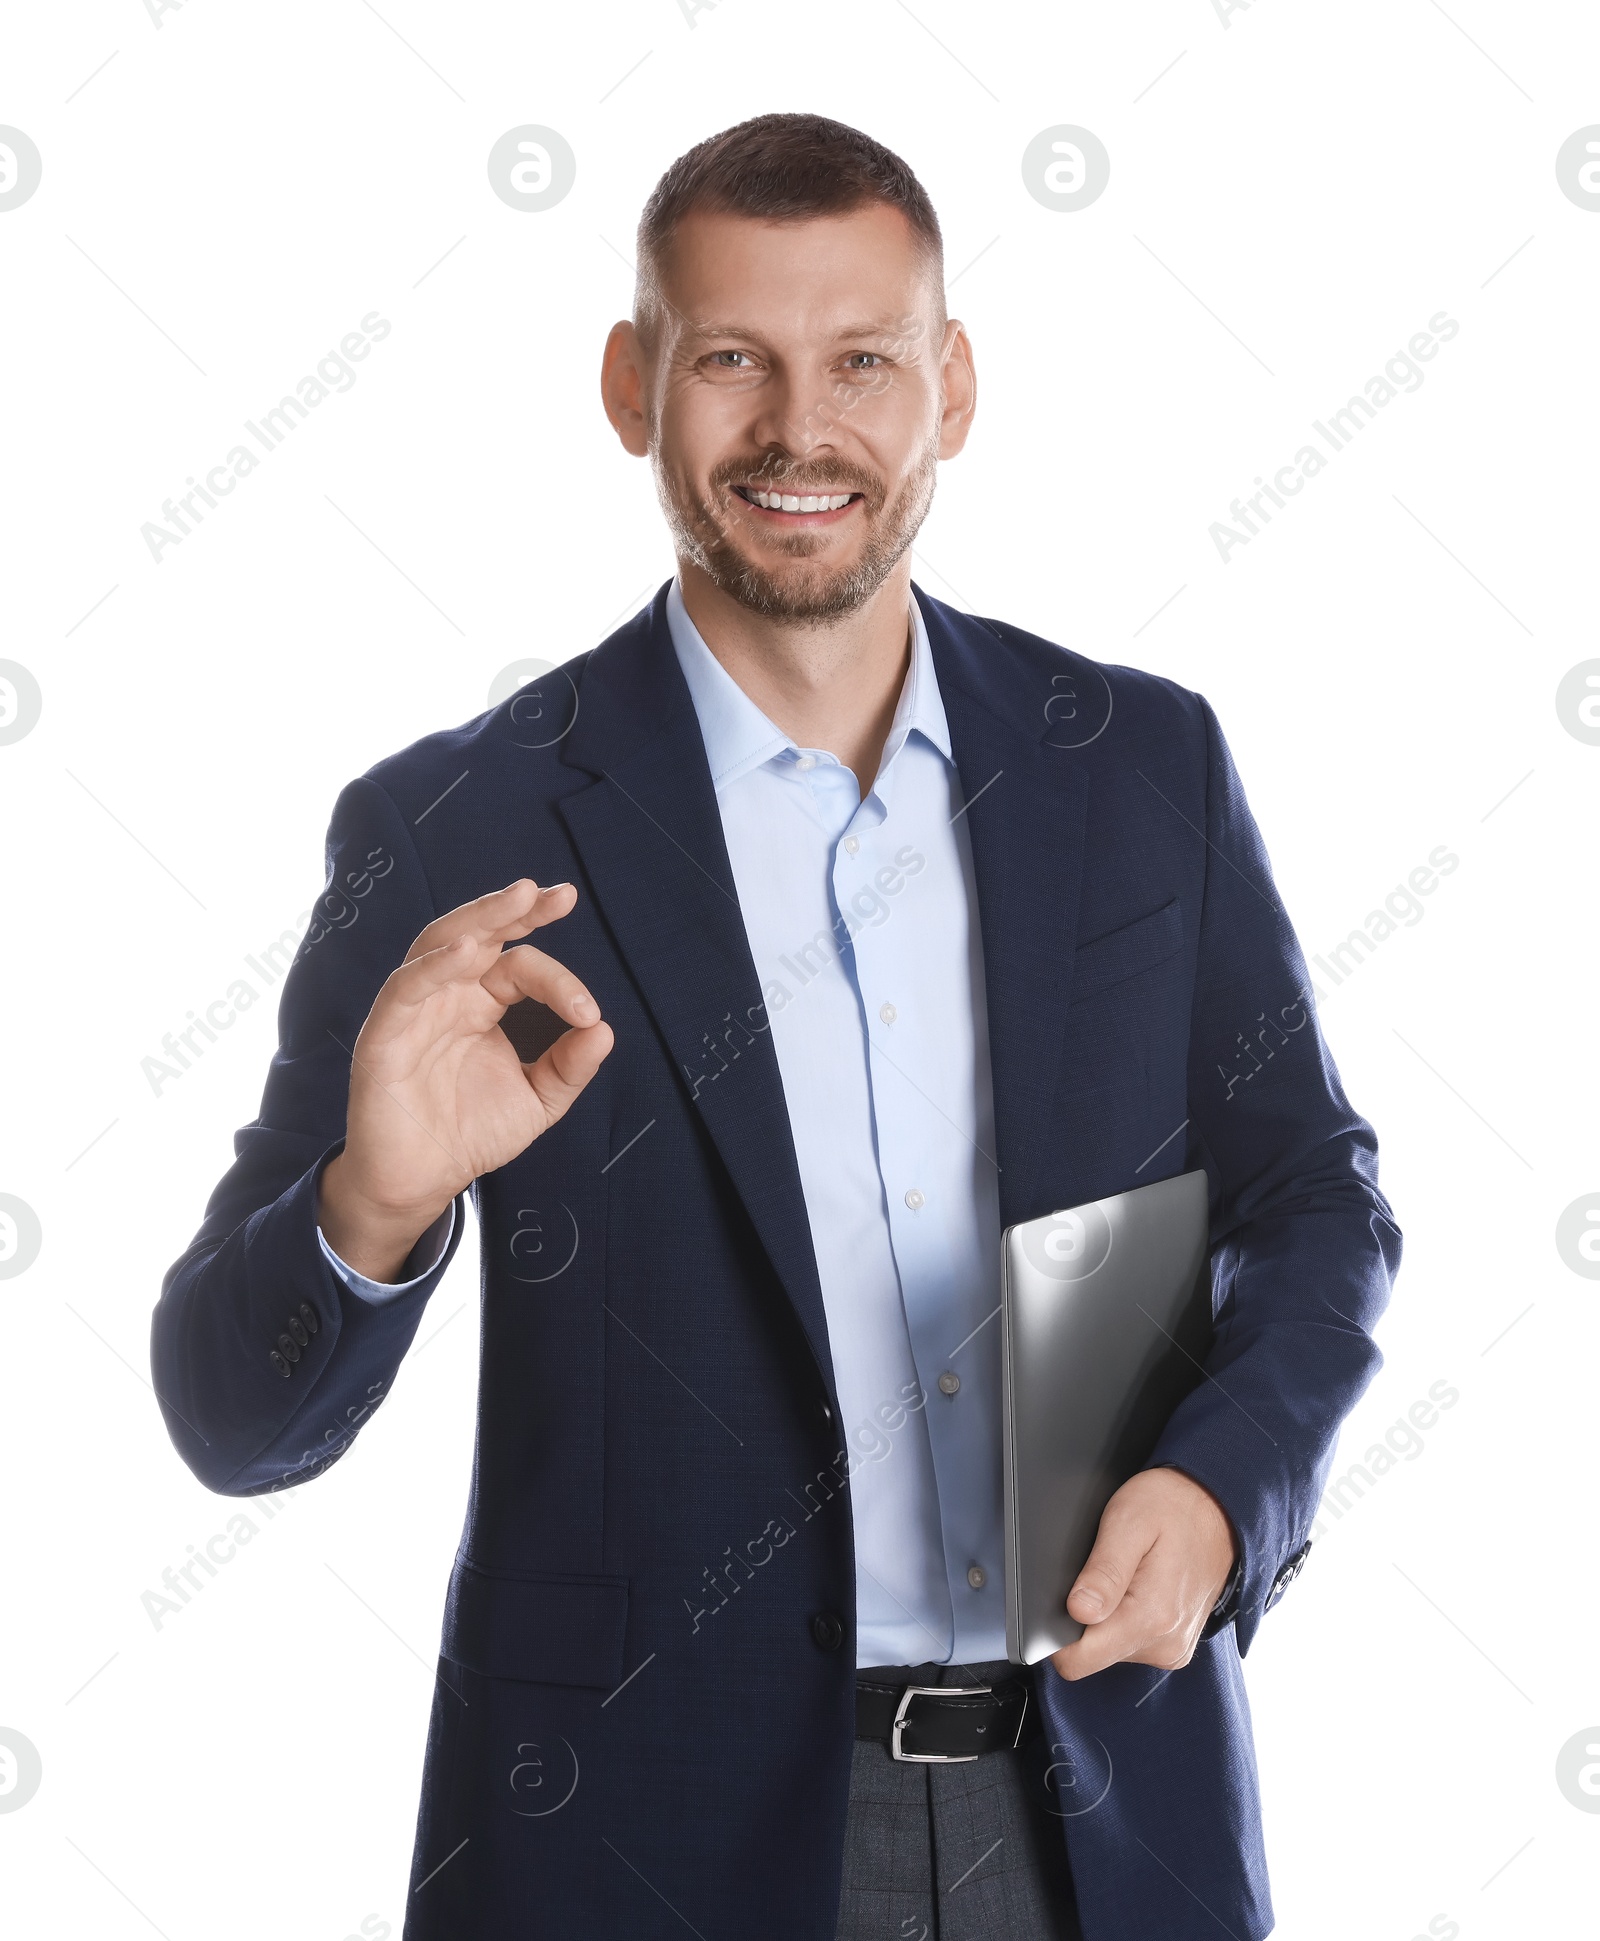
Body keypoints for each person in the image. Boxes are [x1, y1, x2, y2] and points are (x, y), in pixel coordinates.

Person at [151, 112, 1401, 1940]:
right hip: (636, 1858)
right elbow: (225, 1415)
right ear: (631, 382)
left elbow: (1318, 1198)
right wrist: (375, 1205)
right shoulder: (459, 831)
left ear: (951, 386)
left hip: (1109, 1829)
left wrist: (1225, 1488)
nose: (800, 429)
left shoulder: (1139, 772)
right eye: (732, 359)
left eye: (863, 364)